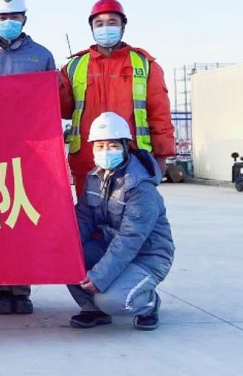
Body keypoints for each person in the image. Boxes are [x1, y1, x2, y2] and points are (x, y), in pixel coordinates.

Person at [0, 0, 56, 316]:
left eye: (15, 16)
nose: (9, 21)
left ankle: (21, 289)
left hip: (29, 151)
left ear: (25, 18)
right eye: (3, 16)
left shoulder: (41, 56)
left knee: (23, 219)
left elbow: (51, 103)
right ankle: (0, 289)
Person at [67, 112, 174, 331]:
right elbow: (84, 218)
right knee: (66, 258)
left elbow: (130, 239)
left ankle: (149, 303)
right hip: (109, 246)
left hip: (147, 255)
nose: (105, 151)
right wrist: (62, 245)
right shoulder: (95, 178)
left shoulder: (140, 186)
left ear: (125, 147)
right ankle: (93, 309)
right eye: (99, 146)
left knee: (112, 301)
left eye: (113, 145)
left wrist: (99, 276)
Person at [60, 0, 175, 197]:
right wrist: (53, 84)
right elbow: (64, 111)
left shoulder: (144, 65)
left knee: (132, 212)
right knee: (89, 214)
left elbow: (160, 115)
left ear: (123, 26)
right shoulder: (74, 66)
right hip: (87, 161)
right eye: (99, 23)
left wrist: (162, 156)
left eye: (112, 22)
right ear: (92, 28)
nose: (105, 28)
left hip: (134, 161)